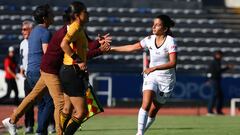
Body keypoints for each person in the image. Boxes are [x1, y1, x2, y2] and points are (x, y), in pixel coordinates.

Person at [2, 3, 110, 135]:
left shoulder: (74, 29)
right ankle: (59, 133)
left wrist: (98, 43)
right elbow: (79, 54)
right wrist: (98, 51)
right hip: (51, 70)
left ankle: (12, 120)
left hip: (46, 68)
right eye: (84, 12)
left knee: (33, 96)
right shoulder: (68, 32)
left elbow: (87, 45)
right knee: (60, 103)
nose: (53, 16)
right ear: (76, 16)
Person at [111, 15, 177, 135]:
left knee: (153, 111)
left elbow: (173, 63)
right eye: (153, 24)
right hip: (151, 76)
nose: (154, 26)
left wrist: (154, 67)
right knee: (146, 104)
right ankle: (139, 133)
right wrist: (111, 49)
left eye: (157, 25)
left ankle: (141, 132)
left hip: (166, 79)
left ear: (165, 28)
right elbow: (132, 47)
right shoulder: (149, 39)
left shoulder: (170, 41)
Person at [19, 20, 35, 134]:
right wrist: (21, 68)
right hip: (27, 77)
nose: (23, 31)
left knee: (45, 102)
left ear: (31, 29)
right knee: (28, 102)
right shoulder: (22, 43)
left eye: (25, 29)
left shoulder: (36, 41)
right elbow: (21, 58)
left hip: (39, 75)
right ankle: (29, 125)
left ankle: (51, 124)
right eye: (22, 29)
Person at [207, 51, 233, 115]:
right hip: (214, 80)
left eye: (221, 55)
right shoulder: (214, 62)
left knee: (220, 95)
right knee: (214, 95)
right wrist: (227, 68)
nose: (221, 56)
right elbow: (216, 71)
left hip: (216, 80)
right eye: (219, 55)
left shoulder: (217, 62)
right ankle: (210, 111)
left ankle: (218, 110)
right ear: (216, 55)